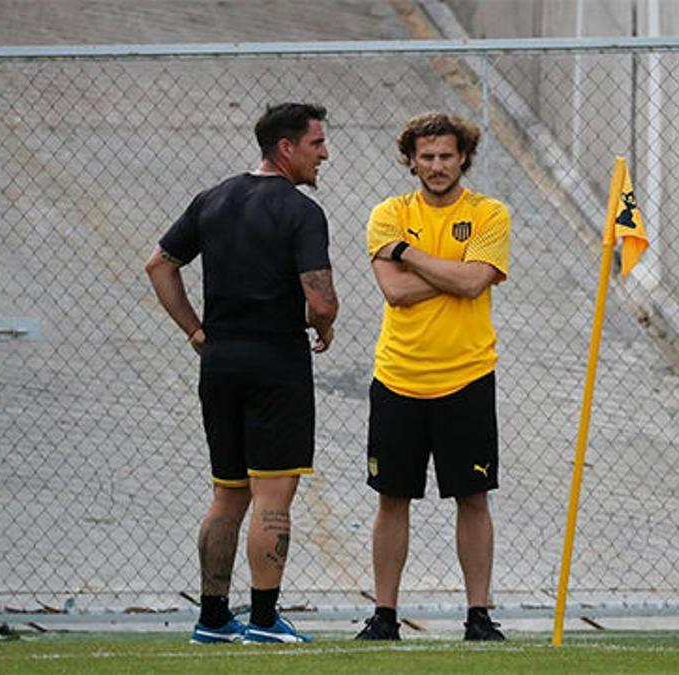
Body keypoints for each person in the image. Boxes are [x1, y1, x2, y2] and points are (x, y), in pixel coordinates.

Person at [145, 102, 338, 644]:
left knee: (227, 493)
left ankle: (211, 618)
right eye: (316, 144)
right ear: (286, 147)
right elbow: (320, 300)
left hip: (220, 361)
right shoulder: (301, 212)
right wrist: (325, 324)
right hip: (276, 362)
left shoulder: (214, 199)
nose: (324, 154)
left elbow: (159, 264)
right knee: (272, 495)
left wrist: (195, 331)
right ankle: (262, 620)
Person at [356, 112, 510, 642]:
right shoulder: (388, 213)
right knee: (392, 498)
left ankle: (478, 616)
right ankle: (383, 616)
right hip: (398, 376)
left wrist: (412, 255)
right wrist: (456, 270)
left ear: (464, 156)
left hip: (467, 377)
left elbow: (474, 285)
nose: (438, 166)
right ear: (411, 160)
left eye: (447, 156)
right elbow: (396, 292)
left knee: (473, 497)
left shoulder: (490, 214)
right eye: (427, 157)